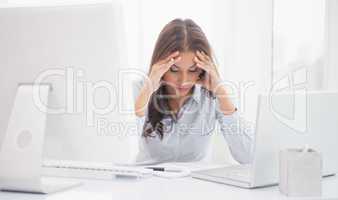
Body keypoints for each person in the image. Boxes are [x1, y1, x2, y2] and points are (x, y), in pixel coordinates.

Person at [133, 18, 254, 165]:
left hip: (194, 185)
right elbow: (131, 135)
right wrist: (148, 88)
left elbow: (249, 157)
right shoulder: (141, 88)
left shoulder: (213, 94)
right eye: (174, 70)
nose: (184, 81)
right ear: (161, 65)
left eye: (192, 70)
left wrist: (222, 93)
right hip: (148, 182)